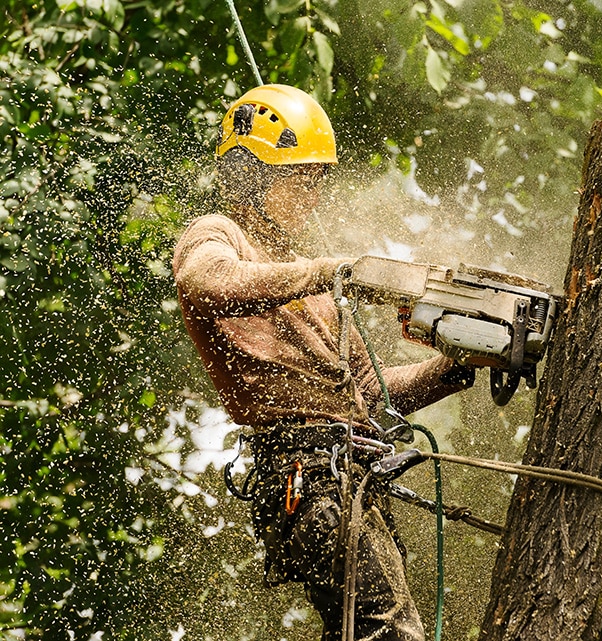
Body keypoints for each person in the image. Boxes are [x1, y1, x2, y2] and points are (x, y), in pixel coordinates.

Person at [172, 84, 474, 641]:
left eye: (318, 182)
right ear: (251, 176)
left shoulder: (312, 281)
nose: (313, 197)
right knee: (392, 632)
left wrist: (454, 366)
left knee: (371, 630)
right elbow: (205, 280)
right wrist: (325, 271)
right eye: (301, 180)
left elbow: (369, 389)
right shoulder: (219, 234)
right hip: (305, 471)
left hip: (346, 471)